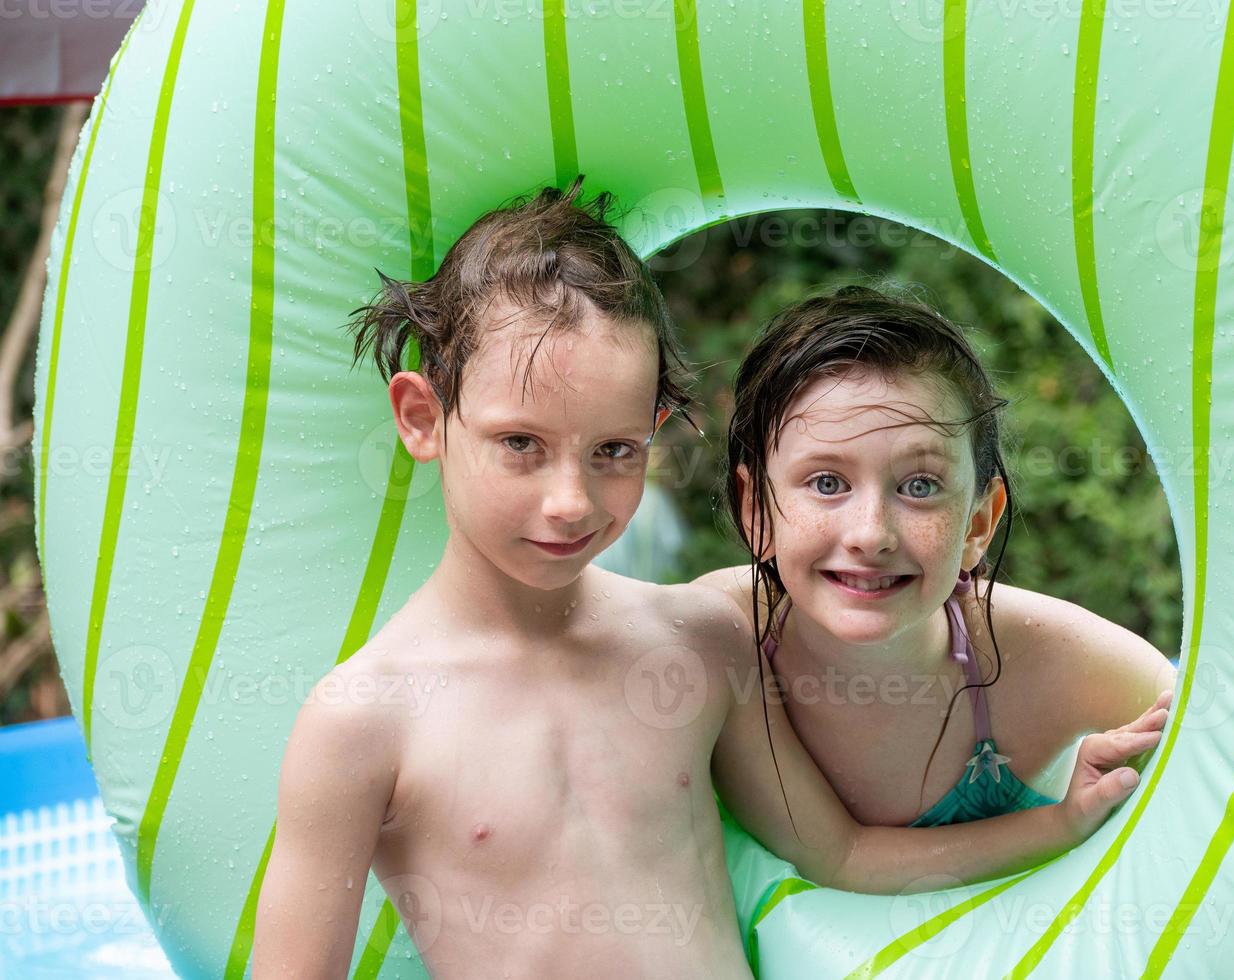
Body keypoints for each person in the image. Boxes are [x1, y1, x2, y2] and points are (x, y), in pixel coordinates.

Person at [252, 185, 1168, 979]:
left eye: (612, 451)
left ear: (651, 434)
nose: (570, 501)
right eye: (520, 445)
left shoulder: (702, 642)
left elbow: (843, 854)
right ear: (422, 417)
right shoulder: (364, 722)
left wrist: (1059, 826)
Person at [697, 285, 1176, 830]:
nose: (871, 534)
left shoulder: (1051, 657)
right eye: (827, 482)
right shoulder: (718, 634)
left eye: (920, 486)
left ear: (977, 523)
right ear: (758, 511)